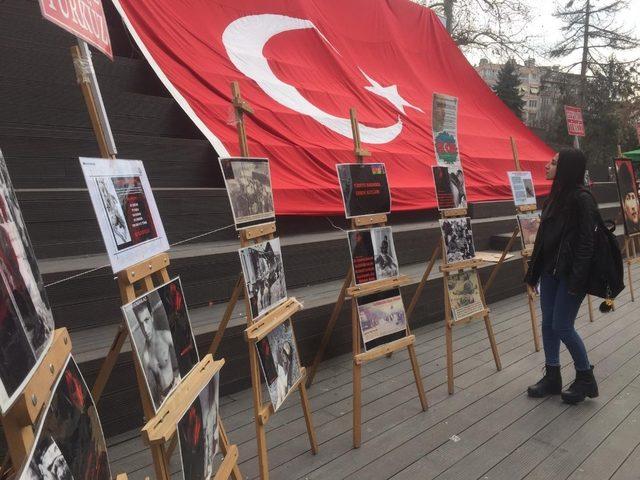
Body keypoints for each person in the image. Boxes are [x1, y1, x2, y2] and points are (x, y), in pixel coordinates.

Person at [524, 149, 599, 404]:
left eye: (554, 163)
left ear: (566, 168)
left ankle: (585, 376)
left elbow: (587, 244)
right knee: (548, 324)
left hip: (570, 275)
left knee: (562, 325)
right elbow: (543, 241)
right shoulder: (554, 197)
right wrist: (533, 274)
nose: (547, 166)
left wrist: (577, 282)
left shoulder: (582, 200)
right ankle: (552, 375)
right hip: (549, 272)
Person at [131, 298, 178, 408]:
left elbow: (184, 356)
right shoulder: (146, 356)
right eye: (141, 324)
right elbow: (150, 392)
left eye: (146, 320)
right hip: (163, 401)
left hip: (177, 386)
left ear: (151, 317)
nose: (145, 329)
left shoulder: (166, 336)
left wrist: (180, 377)